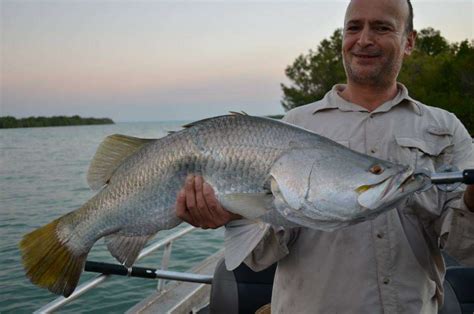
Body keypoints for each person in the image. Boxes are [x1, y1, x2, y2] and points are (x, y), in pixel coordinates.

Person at [176, 0, 474, 312]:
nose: (364, 40)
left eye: (382, 27)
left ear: (409, 41)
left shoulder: (445, 128)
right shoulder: (295, 126)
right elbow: (264, 253)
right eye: (354, 27)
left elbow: (466, 250)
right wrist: (233, 215)